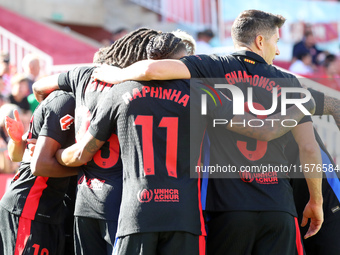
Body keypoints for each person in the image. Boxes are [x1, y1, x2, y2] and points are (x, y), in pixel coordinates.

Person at [57, 31, 314, 255]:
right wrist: (302, 107)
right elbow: (263, 130)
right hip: (185, 217)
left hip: (136, 213)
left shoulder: (120, 90)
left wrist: (57, 156)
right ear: (181, 61)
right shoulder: (203, 94)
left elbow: (82, 153)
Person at [32, 28, 162, 255]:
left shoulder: (83, 74)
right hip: (121, 199)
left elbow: (39, 87)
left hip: (85, 198)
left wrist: (59, 119)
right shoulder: (136, 85)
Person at [0, 90, 78, 255]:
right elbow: (20, 156)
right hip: (27, 207)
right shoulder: (61, 105)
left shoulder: (73, 110)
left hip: (51, 211)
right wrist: (16, 139)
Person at [287, 89, 340, 255]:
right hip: (284, 198)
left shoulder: (280, 87)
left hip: (325, 194)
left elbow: (334, 105)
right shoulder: (223, 93)